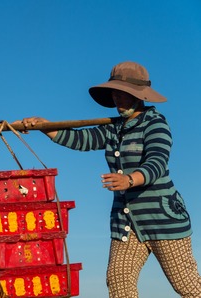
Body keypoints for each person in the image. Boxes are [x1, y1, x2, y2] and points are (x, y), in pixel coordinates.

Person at [15, 61, 201, 297]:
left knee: (188, 286)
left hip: (162, 220)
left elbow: (157, 163)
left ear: (138, 95)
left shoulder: (155, 124)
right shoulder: (112, 128)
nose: (118, 99)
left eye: (123, 94)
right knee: (118, 281)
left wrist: (130, 180)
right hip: (126, 223)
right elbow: (82, 141)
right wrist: (45, 126)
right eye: (115, 93)